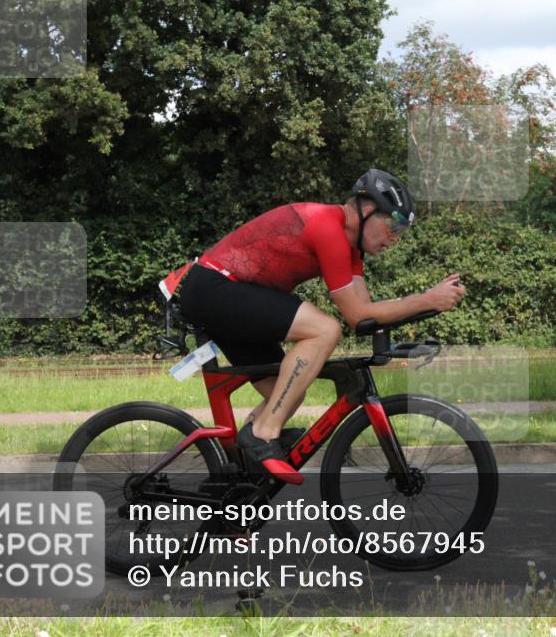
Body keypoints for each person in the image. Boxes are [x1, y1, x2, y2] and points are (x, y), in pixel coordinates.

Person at [159, 169, 466, 478]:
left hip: (228, 292)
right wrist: (426, 299)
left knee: (288, 392)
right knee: (324, 329)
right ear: (367, 209)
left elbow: (366, 316)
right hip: (215, 287)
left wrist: (424, 309)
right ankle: (263, 432)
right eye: (393, 224)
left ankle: (238, 480)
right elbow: (355, 315)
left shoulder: (351, 248)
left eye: (401, 230)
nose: (395, 237)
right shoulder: (327, 227)